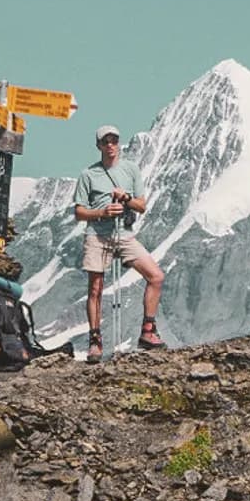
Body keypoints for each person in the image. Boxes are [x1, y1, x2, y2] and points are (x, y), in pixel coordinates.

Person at [73, 125, 166, 361]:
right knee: (95, 288)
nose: (111, 145)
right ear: (99, 146)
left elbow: (142, 206)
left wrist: (125, 198)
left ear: (119, 143)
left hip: (124, 234)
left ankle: (148, 330)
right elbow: (80, 212)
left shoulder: (131, 169)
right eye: (106, 141)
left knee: (156, 276)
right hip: (97, 235)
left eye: (114, 140)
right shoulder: (88, 175)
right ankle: (95, 341)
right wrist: (102, 212)